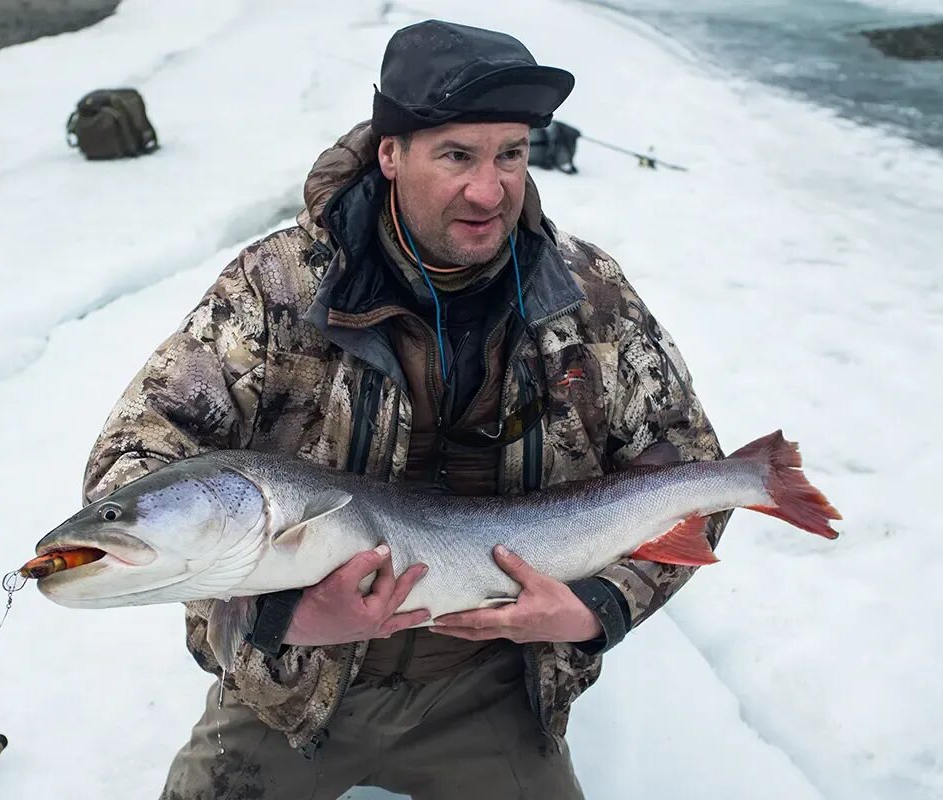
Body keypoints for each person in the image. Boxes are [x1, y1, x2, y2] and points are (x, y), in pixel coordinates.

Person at [82, 19, 729, 800]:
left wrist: (595, 610)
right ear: (391, 153)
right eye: (457, 155)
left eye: (511, 155)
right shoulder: (278, 287)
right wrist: (277, 615)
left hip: (490, 692)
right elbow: (137, 462)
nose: (490, 191)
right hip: (296, 688)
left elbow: (696, 472)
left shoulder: (586, 296)